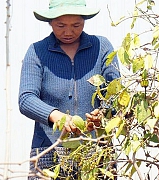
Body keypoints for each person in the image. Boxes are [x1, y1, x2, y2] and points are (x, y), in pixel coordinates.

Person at [18, 0, 120, 179]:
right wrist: (58, 117)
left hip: (96, 148)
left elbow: (116, 93)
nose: (68, 32)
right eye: (60, 25)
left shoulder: (101, 47)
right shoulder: (37, 51)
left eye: (76, 25)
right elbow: (26, 99)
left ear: (84, 21)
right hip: (48, 149)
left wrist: (103, 114)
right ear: (50, 22)